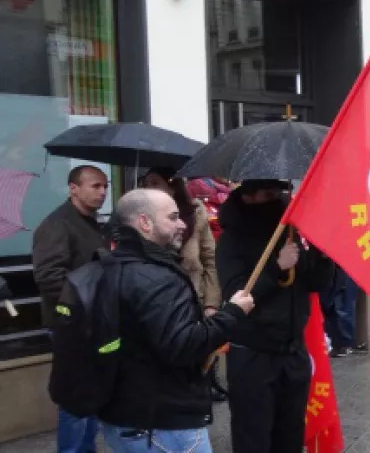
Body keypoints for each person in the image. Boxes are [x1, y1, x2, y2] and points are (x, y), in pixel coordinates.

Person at [97, 189, 255, 453]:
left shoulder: (110, 266)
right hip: (163, 424)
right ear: (145, 223)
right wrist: (233, 314)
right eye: (172, 217)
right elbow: (183, 346)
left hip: (124, 417)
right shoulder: (158, 279)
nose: (182, 224)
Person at [215, 179, 335, 453]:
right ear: (249, 198)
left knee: (290, 435)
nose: (278, 201)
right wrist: (277, 268)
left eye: (279, 195)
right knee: (254, 437)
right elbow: (237, 295)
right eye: (269, 195)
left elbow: (314, 282)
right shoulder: (232, 239)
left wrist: (322, 254)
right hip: (253, 355)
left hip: (292, 352)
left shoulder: (288, 232)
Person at [32, 165, 109, 453]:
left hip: (93, 324)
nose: (102, 192)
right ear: (73, 188)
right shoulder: (57, 224)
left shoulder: (92, 223)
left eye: (105, 186)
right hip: (71, 324)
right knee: (76, 398)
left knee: (89, 397)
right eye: (95, 186)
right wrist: (84, 305)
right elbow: (49, 277)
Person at [141, 167, 228, 399]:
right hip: (161, 306)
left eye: (155, 183)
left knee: (198, 360)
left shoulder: (196, 212)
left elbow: (210, 260)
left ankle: (207, 382)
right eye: (146, 183)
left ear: (172, 186)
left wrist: (211, 303)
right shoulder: (140, 220)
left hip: (195, 301)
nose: (150, 188)